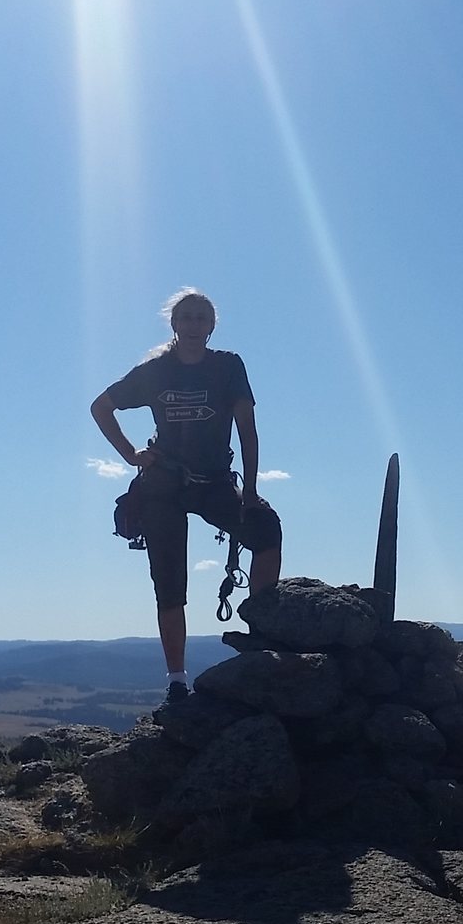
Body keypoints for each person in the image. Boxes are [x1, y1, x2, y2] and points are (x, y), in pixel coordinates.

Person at [91, 288, 282, 703]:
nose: (194, 324)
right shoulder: (154, 371)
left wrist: (249, 488)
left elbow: (247, 429)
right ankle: (177, 679)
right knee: (169, 583)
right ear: (174, 324)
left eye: (202, 318)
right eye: (187, 317)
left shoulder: (228, 367)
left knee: (266, 529)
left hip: (214, 480)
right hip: (164, 484)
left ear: (211, 326)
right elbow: (101, 407)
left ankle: (261, 641)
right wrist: (131, 455)